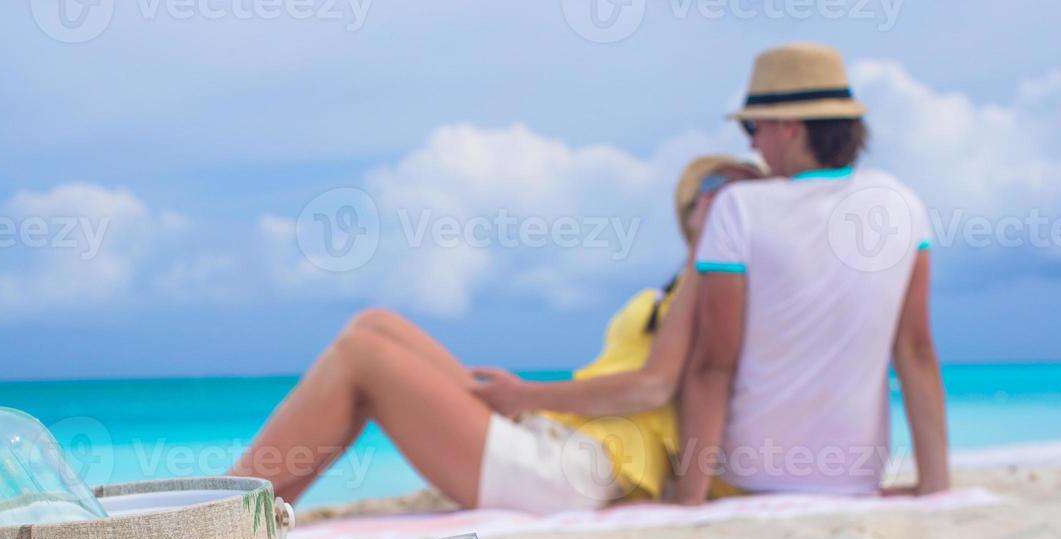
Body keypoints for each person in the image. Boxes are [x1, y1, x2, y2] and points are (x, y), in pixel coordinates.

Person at [228, 156, 765, 512]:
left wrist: (525, 394)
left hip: (579, 472)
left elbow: (653, 387)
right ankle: (258, 514)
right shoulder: (682, 289)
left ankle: (226, 511)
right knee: (375, 324)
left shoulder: (713, 283)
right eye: (707, 189)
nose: (713, 197)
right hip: (559, 440)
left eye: (731, 190)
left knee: (362, 357)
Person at [676, 42, 950, 503]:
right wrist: (937, 489)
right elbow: (916, 353)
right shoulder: (900, 202)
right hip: (854, 481)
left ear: (789, 127)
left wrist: (687, 501)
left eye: (753, 126)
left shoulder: (738, 208)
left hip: (749, 479)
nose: (750, 143)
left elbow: (712, 367)